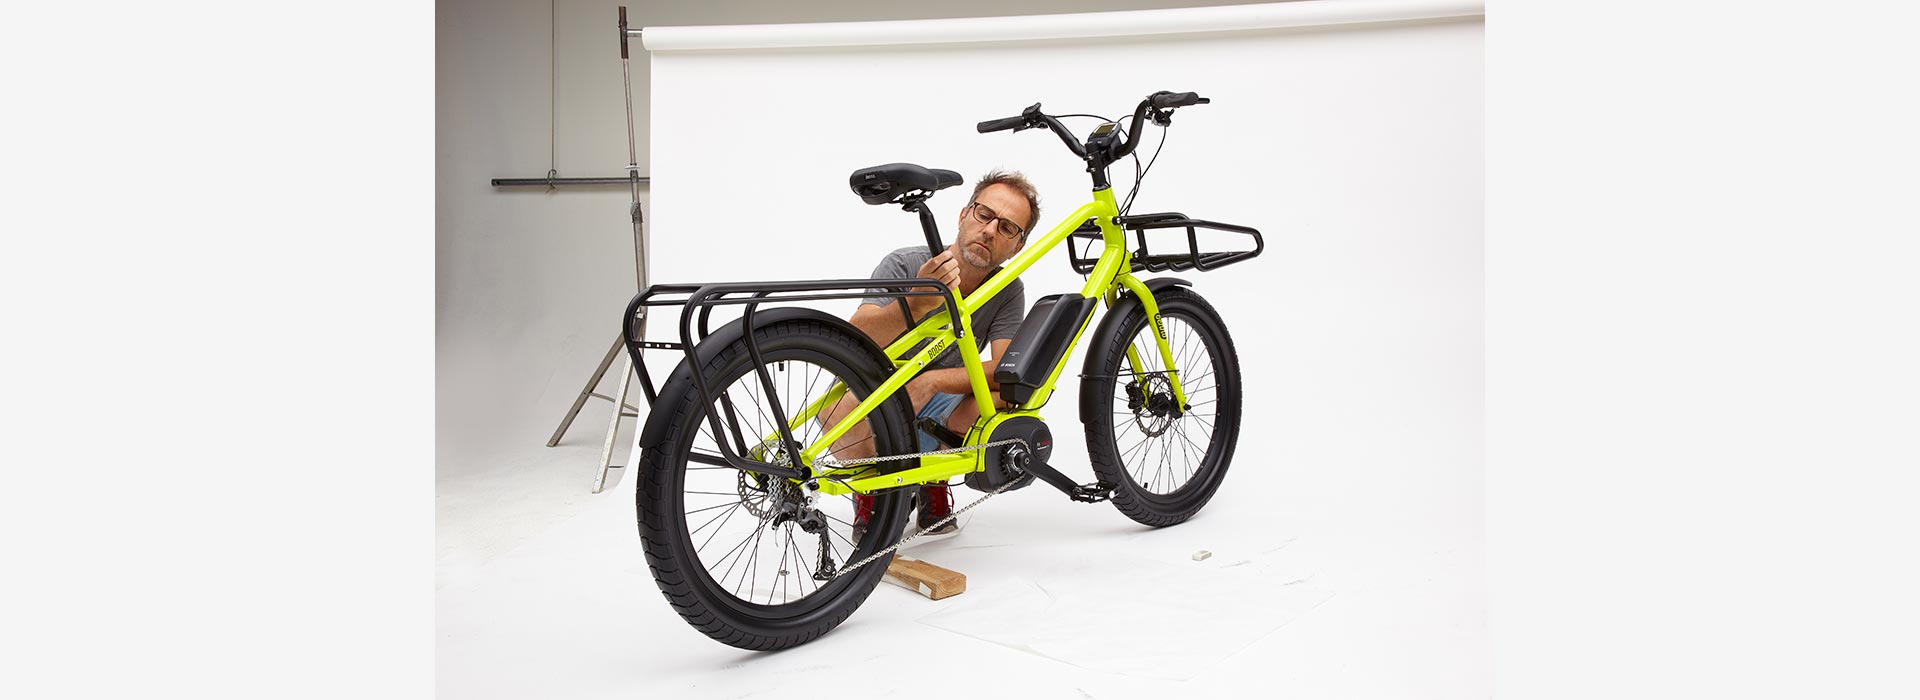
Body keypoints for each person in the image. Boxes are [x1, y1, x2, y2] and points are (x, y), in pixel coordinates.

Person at [823, 169, 1041, 540]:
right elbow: (856, 336)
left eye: (1007, 228)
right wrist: (916, 303)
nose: (990, 231)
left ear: (1017, 247)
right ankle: (872, 489)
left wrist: (933, 381)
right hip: (878, 393)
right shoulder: (904, 264)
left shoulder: (1007, 289)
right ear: (964, 215)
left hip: (940, 403)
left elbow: (1005, 370)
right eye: (984, 215)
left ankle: (932, 480)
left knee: (1003, 400)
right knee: (835, 411)